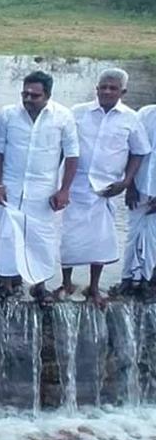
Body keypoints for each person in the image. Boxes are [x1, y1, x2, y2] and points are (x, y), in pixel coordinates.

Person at [60, 69, 150, 307]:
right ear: (96, 88)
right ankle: (66, 283)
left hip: (107, 188)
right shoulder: (78, 112)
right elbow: (63, 145)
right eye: (103, 87)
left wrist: (127, 182)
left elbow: (139, 151)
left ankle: (94, 287)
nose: (107, 92)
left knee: (100, 240)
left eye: (113, 88)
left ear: (123, 92)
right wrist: (60, 185)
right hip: (75, 183)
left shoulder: (131, 118)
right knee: (67, 237)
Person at [0, 70, 79, 305]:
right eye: (25, 94)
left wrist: (64, 190)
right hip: (10, 188)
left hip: (43, 191)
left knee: (41, 239)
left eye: (35, 95)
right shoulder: (7, 114)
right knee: (7, 237)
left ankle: (39, 286)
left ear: (48, 95)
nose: (28, 99)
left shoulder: (63, 117)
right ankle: (6, 286)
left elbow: (72, 156)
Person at [122, 103, 156, 300]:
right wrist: (130, 185)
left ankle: (145, 280)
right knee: (132, 235)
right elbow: (131, 149)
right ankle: (127, 279)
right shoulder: (144, 113)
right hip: (139, 185)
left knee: (153, 238)